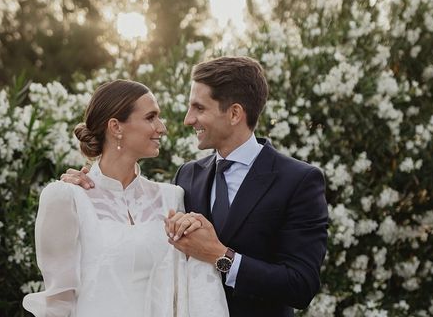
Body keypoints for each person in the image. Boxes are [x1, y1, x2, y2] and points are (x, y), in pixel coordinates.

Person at [64, 57, 329, 317]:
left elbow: (301, 286)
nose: (188, 120)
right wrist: (92, 184)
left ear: (235, 113)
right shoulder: (187, 178)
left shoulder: (298, 181)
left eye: (199, 108)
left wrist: (220, 256)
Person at [23, 79, 229, 317]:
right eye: (150, 117)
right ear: (116, 127)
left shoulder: (172, 198)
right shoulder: (66, 197)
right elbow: (58, 303)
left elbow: (187, 285)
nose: (161, 127)